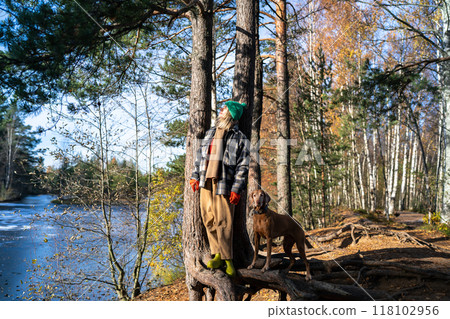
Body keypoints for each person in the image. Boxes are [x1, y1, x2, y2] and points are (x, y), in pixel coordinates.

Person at [190, 101, 249, 277]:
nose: (221, 110)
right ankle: (216, 254)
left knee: (224, 221)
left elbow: (243, 167)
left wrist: (236, 189)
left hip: (225, 183)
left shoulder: (240, 138)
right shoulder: (210, 133)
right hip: (205, 181)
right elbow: (199, 157)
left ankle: (228, 259)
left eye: (224, 109)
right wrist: (194, 176)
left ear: (230, 114)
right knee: (208, 218)